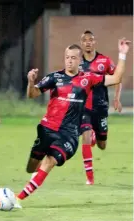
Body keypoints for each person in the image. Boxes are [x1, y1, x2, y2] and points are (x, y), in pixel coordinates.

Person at [13, 38, 130, 207]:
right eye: (67, 57)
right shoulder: (54, 77)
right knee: (31, 168)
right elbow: (32, 94)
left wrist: (122, 54)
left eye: (73, 58)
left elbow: (116, 78)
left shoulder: (88, 79)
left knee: (50, 161)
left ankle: (19, 198)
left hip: (69, 135)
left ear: (80, 61)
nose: (69, 60)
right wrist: (31, 82)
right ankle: (34, 180)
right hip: (47, 130)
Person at [79, 30, 122, 185]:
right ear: (82, 43)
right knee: (85, 135)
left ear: (94, 42)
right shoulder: (77, 62)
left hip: (101, 106)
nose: (88, 42)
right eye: (85, 40)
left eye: (91, 39)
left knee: (102, 145)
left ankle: (97, 137)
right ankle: (89, 178)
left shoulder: (104, 60)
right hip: (83, 107)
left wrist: (117, 98)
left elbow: (118, 76)